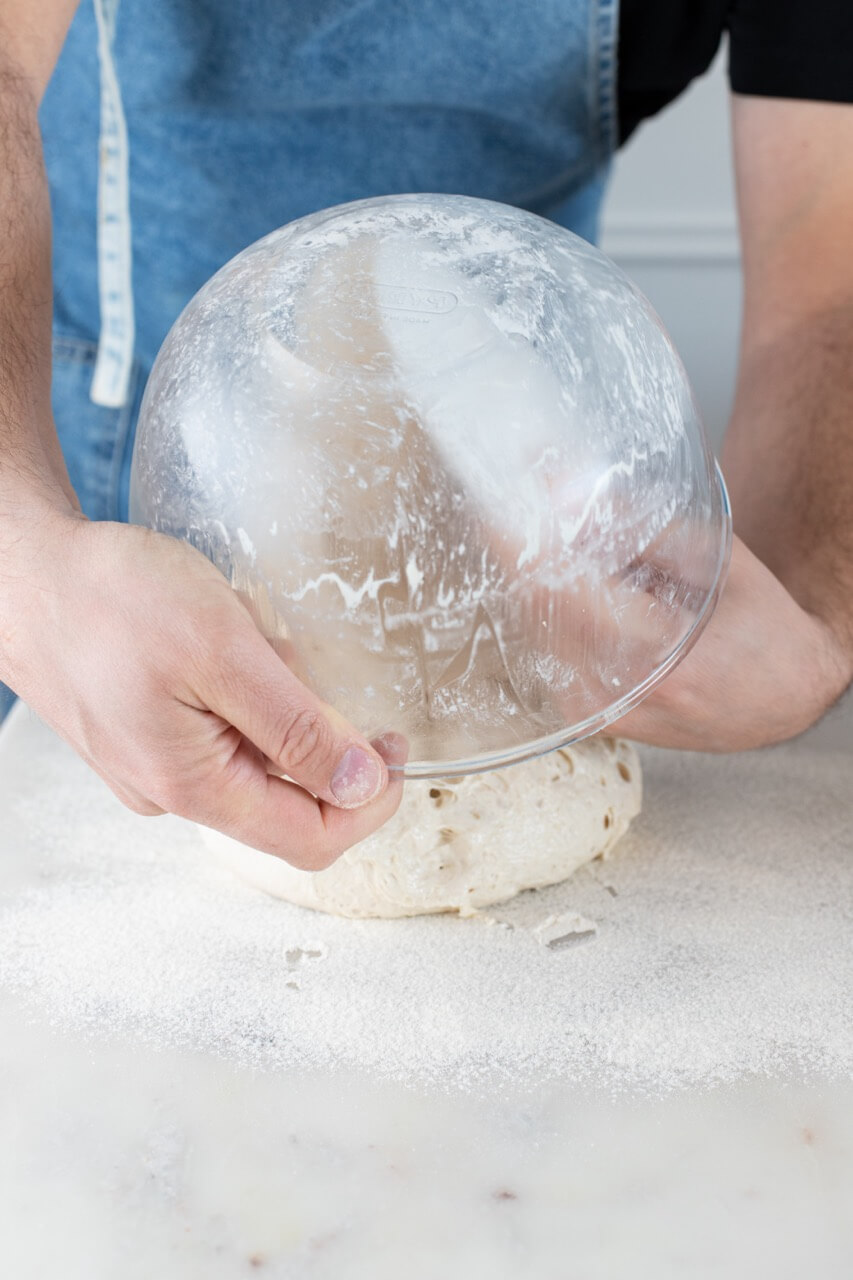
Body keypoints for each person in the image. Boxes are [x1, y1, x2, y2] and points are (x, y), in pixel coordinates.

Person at [0, 0, 851, 868]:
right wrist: (25, 564)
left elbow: (826, 300)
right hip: (96, 529)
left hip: (527, 520)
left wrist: (814, 619)